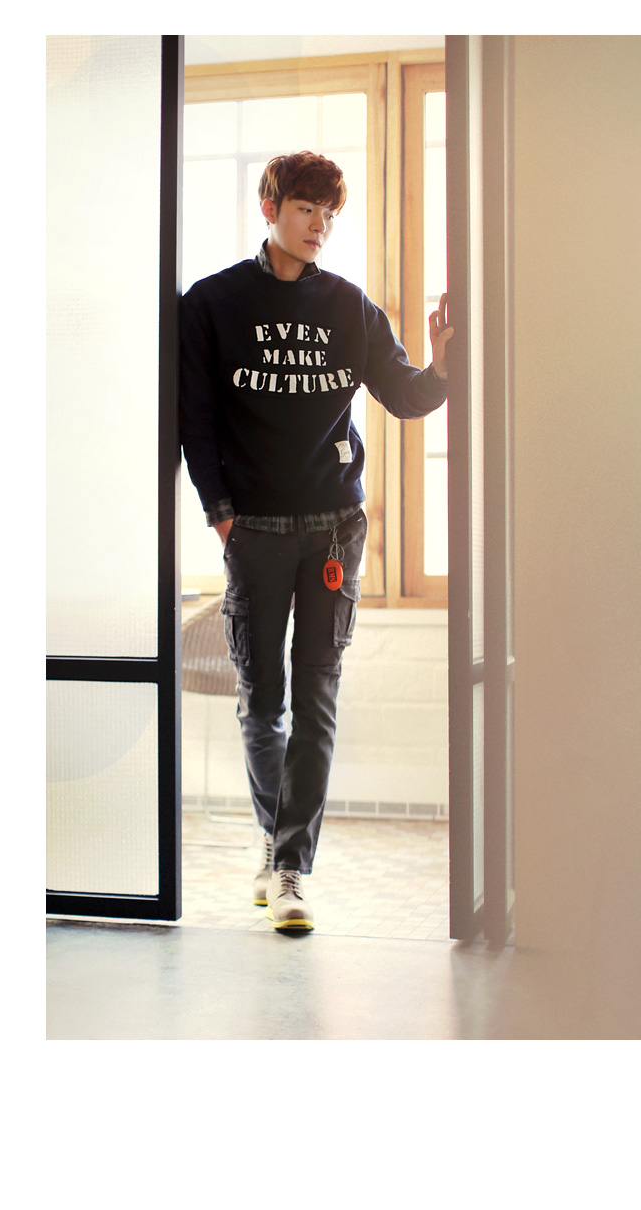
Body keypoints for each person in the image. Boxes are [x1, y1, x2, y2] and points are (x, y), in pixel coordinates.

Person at [180, 151, 453, 932]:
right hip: (255, 531)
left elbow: (405, 394)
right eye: (306, 208)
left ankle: (290, 868)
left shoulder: (349, 307)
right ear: (270, 207)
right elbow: (195, 419)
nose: (320, 225)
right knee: (261, 700)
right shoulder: (213, 303)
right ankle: (277, 847)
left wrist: (442, 367)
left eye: (330, 213)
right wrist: (222, 516)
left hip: (334, 528)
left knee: (316, 696)